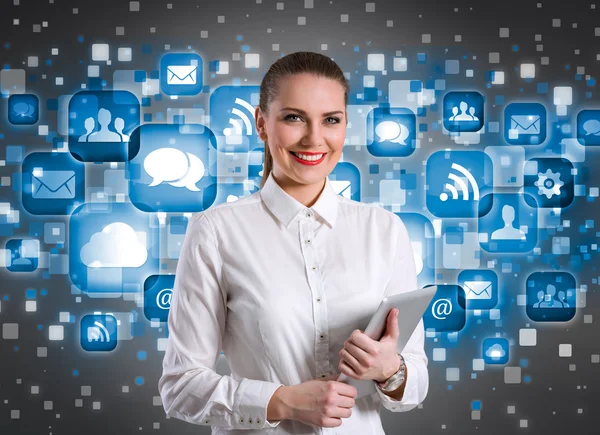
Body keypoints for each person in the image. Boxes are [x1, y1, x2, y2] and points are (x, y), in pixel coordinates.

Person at [158, 51, 429, 434]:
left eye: (330, 120)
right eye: (293, 118)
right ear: (262, 123)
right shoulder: (215, 231)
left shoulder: (384, 230)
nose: (314, 138)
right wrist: (280, 400)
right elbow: (180, 388)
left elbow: (415, 384)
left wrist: (390, 371)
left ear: (345, 126)